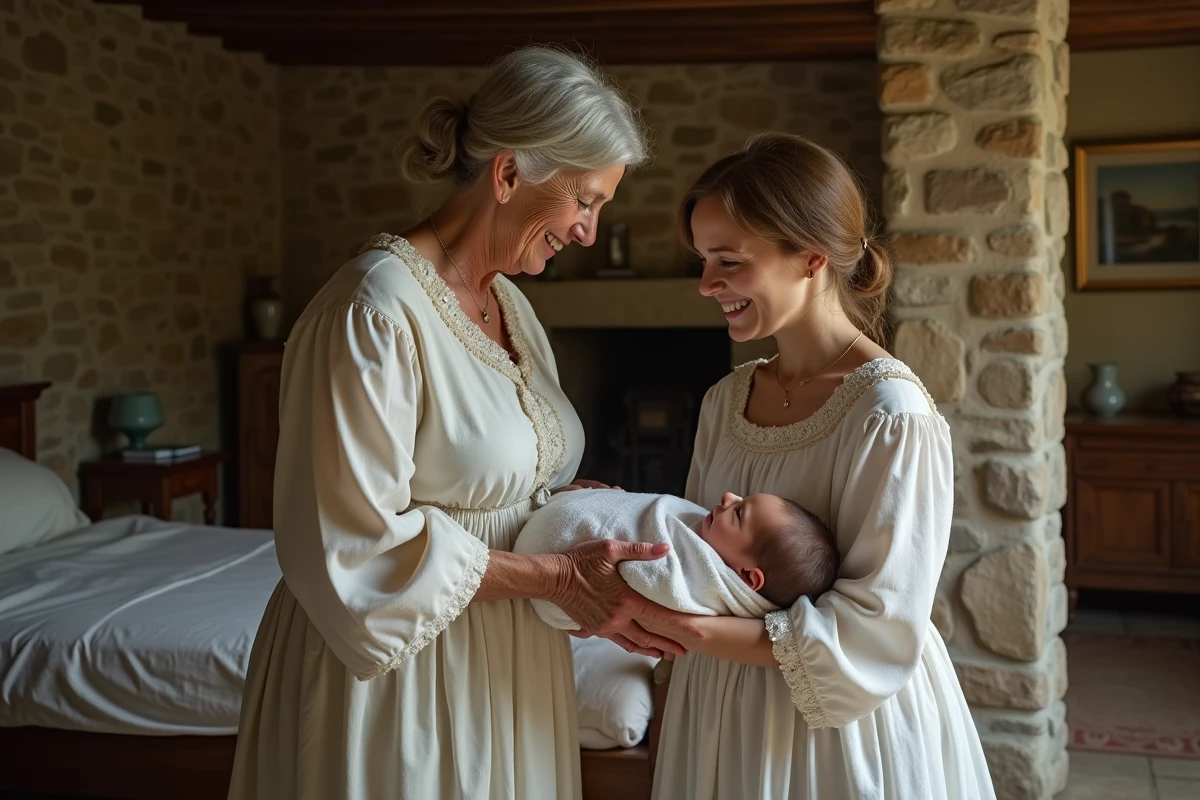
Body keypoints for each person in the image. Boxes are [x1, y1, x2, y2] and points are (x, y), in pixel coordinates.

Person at [227, 46, 683, 800]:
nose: (588, 233)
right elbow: (352, 543)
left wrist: (560, 503)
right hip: (405, 678)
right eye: (585, 202)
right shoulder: (373, 310)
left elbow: (492, 478)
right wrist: (559, 578)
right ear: (508, 175)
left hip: (507, 661)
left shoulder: (513, 305)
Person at [643, 133, 996, 799]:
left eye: (728, 261)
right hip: (719, 711)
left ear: (809, 258)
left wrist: (696, 632)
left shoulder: (890, 413)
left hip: (839, 738)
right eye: (702, 260)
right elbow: (694, 558)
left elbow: (878, 626)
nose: (706, 284)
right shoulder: (725, 402)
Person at [512, 487, 839, 626]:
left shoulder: (696, 583)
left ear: (747, 577)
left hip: (550, 572)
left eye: (738, 513)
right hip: (537, 553)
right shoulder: (707, 536)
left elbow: (636, 584)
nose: (728, 496)